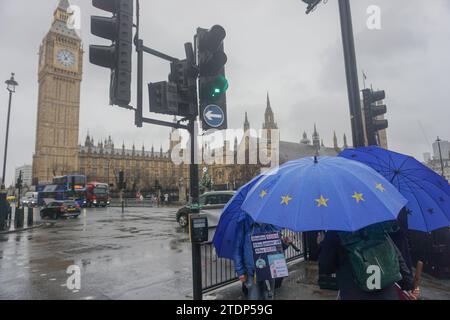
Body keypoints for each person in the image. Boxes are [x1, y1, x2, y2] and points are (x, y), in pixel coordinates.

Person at [318, 225, 420, 300]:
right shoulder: (377, 226)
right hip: (387, 294)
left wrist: (322, 245)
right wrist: (409, 285)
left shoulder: (334, 232)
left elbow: (325, 268)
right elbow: (396, 256)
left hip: (353, 294)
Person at [233, 216, 290, 300]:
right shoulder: (244, 223)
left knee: (269, 297)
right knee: (254, 297)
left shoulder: (273, 224)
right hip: (252, 272)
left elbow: (276, 247)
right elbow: (237, 249)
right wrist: (240, 271)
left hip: (270, 271)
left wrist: (284, 243)